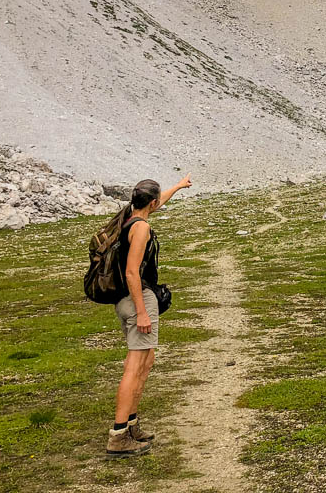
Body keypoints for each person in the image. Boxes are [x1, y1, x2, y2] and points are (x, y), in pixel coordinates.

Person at [101, 175, 191, 458]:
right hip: (139, 300)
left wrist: (177, 186)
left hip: (128, 300)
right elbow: (131, 272)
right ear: (150, 203)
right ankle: (118, 435)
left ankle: (131, 425)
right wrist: (142, 311)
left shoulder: (129, 217)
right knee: (134, 365)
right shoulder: (141, 229)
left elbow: (158, 201)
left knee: (145, 362)